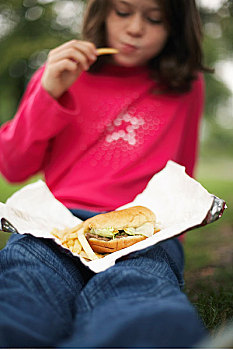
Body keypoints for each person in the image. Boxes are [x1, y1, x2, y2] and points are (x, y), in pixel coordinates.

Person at [0, 0, 212, 347]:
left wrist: (173, 238)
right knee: (24, 280)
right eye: (123, 12)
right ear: (102, 13)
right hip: (58, 224)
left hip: (143, 231)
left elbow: (180, 172)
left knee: (143, 294)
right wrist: (48, 91)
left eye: (155, 18)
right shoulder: (60, 73)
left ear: (175, 26)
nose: (135, 29)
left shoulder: (185, 85)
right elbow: (13, 166)